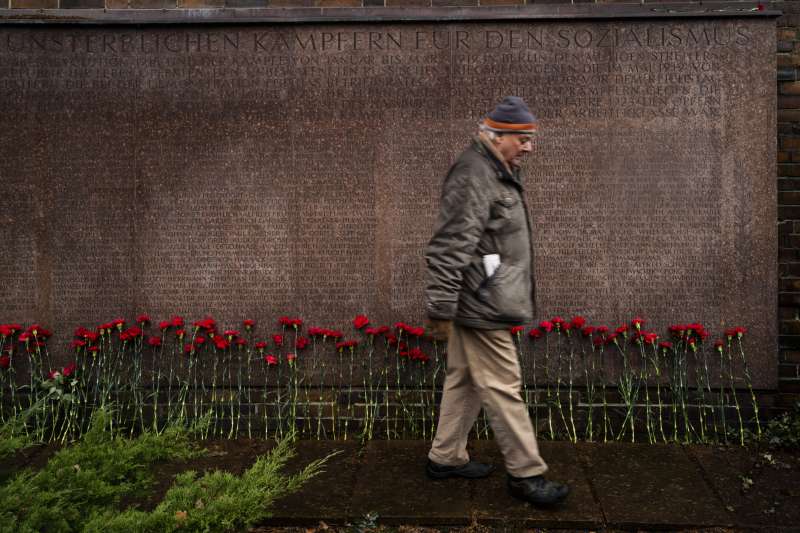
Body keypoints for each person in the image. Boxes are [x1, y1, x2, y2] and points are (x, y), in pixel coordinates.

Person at [423, 96, 569, 506]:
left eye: (530, 138)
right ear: (496, 135)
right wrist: (440, 307)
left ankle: (446, 456)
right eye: (521, 138)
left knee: (465, 379)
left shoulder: (496, 170)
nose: (528, 146)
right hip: (480, 304)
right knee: (504, 386)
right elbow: (449, 244)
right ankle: (527, 474)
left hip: (483, 296)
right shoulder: (474, 173)